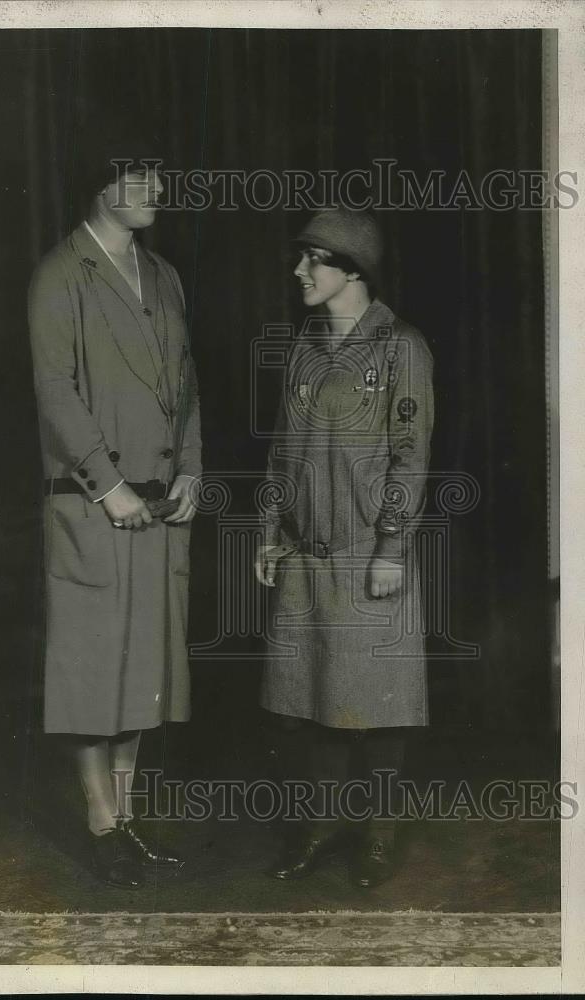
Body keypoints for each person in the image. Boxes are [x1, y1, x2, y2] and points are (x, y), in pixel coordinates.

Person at [28, 118, 201, 889]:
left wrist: (192, 467)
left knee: (141, 675)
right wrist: (110, 484)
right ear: (100, 183)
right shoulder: (60, 275)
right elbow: (55, 394)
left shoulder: (164, 276)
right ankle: (101, 822)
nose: (156, 189)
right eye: (140, 176)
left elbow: (187, 385)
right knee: (94, 675)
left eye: (158, 175)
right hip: (96, 506)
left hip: (161, 505)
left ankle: (126, 822)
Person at [256, 206, 433, 888]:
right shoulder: (305, 344)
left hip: (368, 555)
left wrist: (391, 548)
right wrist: (269, 531)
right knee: (310, 701)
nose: (299, 270)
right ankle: (323, 826)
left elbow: (410, 459)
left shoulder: (401, 346)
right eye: (302, 257)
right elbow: (281, 448)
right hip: (305, 556)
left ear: (351, 269)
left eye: (315, 259)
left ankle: (379, 838)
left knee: (379, 703)